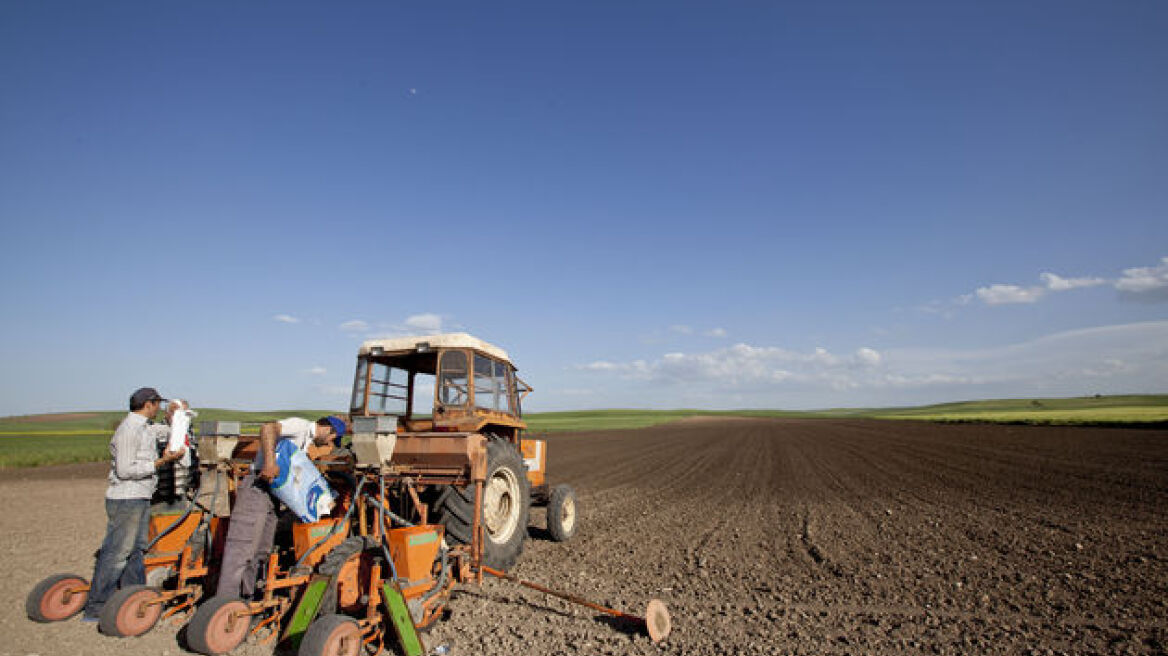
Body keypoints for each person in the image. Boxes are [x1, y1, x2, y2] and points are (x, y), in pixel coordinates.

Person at [83, 387, 186, 621]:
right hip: (126, 498)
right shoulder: (129, 430)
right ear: (148, 404)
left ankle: (134, 598)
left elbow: (167, 431)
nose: (159, 408)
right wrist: (161, 462)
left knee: (136, 551)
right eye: (158, 404)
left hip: (140, 496)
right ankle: (97, 607)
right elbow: (125, 470)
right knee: (117, 553)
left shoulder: (145, 428)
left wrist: (177, 417)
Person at [215, 416, 346, 599]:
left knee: (262, 550)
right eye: (332, 438)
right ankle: (225, 601)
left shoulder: (305, 444)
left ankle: (247, 598)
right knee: (242, 548)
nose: (329, 444)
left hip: (274, 495)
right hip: (257, 489)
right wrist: (270, 463)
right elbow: (268, 428)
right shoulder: (301, 426)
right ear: (328, 429)